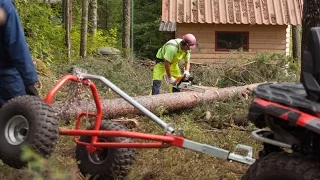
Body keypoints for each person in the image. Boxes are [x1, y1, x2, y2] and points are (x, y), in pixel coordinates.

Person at [0, 0, 39, 107]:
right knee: (19, 113)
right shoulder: (4, 4)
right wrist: (29, 81)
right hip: (6, 77)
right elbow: (17, 45)